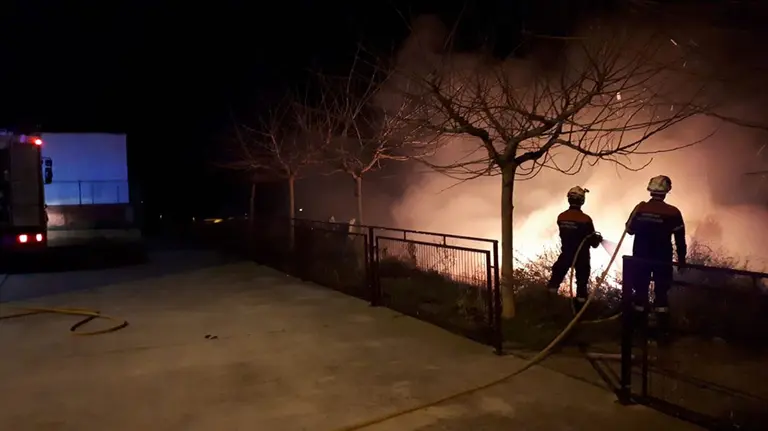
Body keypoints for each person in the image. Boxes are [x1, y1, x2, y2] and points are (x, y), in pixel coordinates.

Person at [625, 175, 687, 339]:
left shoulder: (640, 209)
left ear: (650, 190)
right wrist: (681, 260)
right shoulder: (673, 212)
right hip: (662, 260)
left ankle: (638, 333)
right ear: (667, 191)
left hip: (640, 259)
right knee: (661, 294)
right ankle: (662, 333)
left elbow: (629, 230)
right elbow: (680, 240)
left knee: (640, 292)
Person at [547, 186, 603, 312]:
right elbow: (593, 242)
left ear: (569, 199)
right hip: (582, 256)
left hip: (566, 254)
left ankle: (549, 307)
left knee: (555, 278)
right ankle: (580, 312)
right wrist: (597, 239)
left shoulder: (561, 217)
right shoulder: (585, 219)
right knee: (582, 284)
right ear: (582, 200)